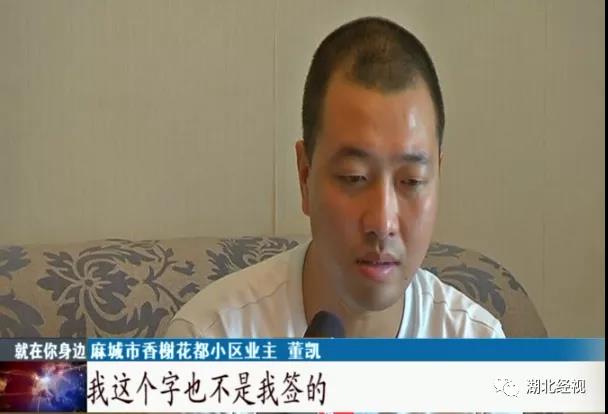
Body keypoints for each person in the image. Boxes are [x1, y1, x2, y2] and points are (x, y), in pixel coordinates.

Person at [166, 16, 504, 339]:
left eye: (411, 181)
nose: (382, 222)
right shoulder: (211, 339)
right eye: (354, 177)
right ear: (305, 177)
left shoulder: (479, 346)